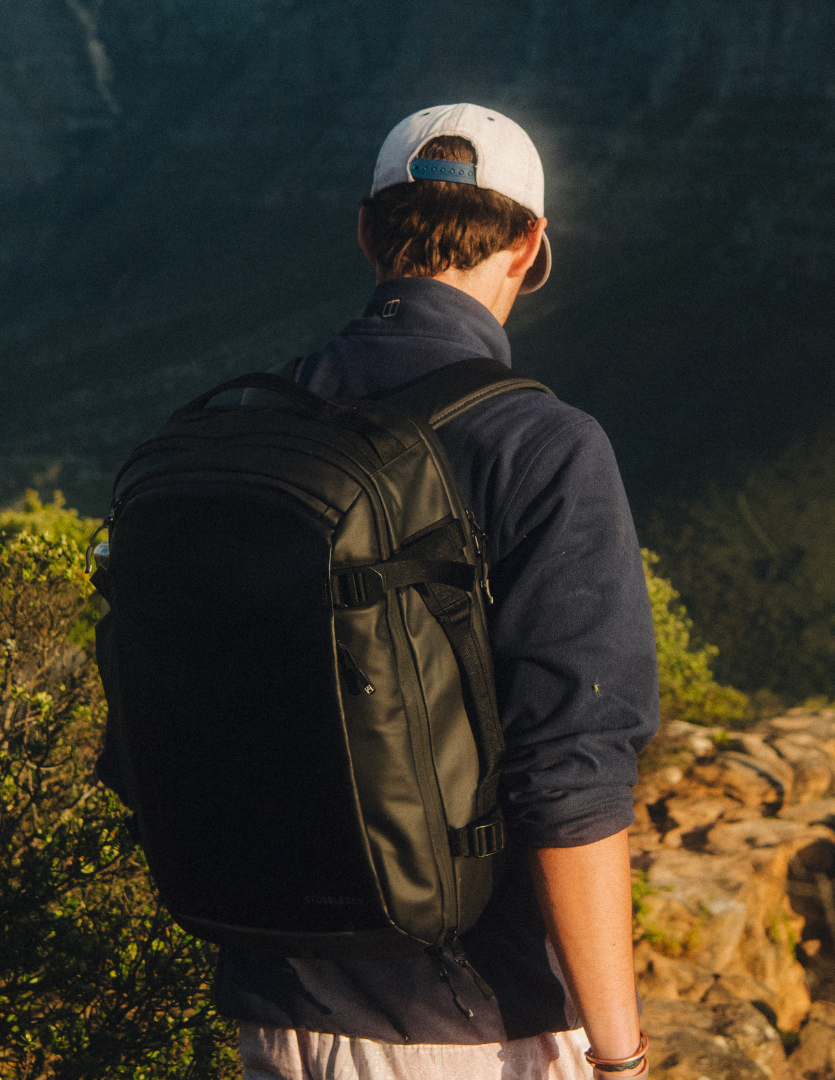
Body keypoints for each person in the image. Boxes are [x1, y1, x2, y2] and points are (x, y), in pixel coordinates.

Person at [218, 104, 661, 1080]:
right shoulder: (543, 449)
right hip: (469, 1025)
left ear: (369, 231)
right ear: (532, 245)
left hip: (276, 1009)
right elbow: (572, 782)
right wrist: (620, 1055)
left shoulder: (254, 423)